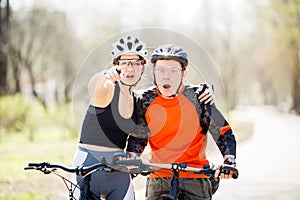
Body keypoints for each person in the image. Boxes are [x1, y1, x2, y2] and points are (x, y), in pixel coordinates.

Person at [72, 36, 214, 200]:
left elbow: (169, 94)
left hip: (118, 169)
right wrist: (104, 75)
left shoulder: (138, 99)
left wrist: (204, 89)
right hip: (89, 164)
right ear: (115, 66)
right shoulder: (109, 88)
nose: (130, 68)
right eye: (125, 63)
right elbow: (94, 88)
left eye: (136, 63)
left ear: (143, 67)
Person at [135, 44, 237, 200]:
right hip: (159, 177)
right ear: (153, 72)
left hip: (195, 176)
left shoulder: (199, 98)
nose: (166, 76)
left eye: (173, 71)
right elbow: (139, 137)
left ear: (184, 74)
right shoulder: (145, 100)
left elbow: (223, 133)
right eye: (161, 70)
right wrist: (132, 157)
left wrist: (229, 160)